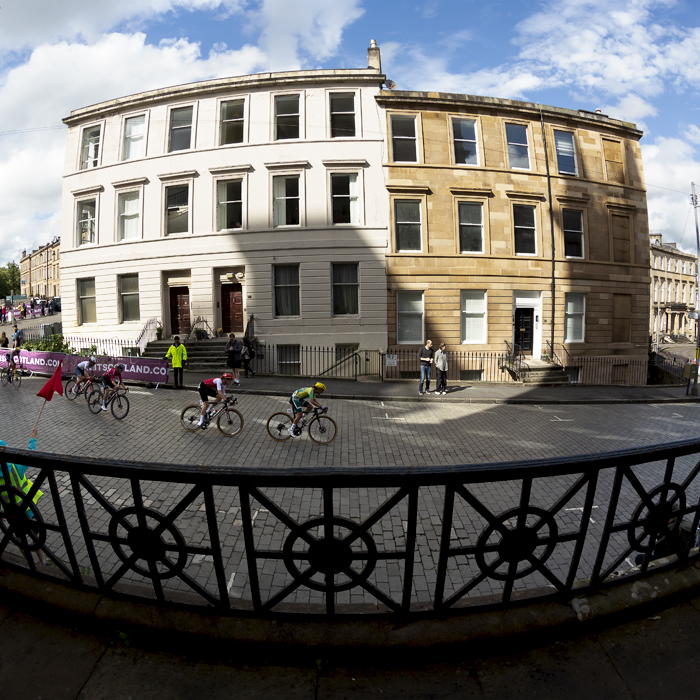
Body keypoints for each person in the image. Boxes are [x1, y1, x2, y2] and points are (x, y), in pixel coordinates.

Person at [0, 425, 46, 565]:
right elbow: (30, 454)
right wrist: (33, 436)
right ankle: (42, 562)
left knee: (19, 538)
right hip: (28, 508)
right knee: (37, 535)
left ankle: (29, 562)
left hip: (12, 512)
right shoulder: (15, 466)